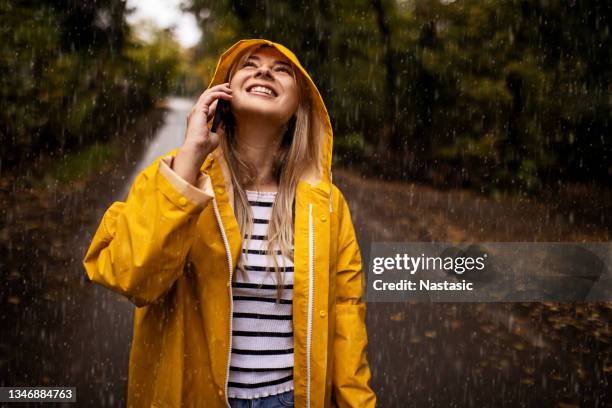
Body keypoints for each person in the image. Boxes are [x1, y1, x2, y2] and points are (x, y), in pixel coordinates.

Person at [83, 38, 376, 408]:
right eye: (249, 65)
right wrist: (190, 155)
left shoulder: (328, 205)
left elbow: (346, 313)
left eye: (281, 69)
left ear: (301, 106)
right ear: (222, 92)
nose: (265, 70)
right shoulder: (177, 178)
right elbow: (133, 278)